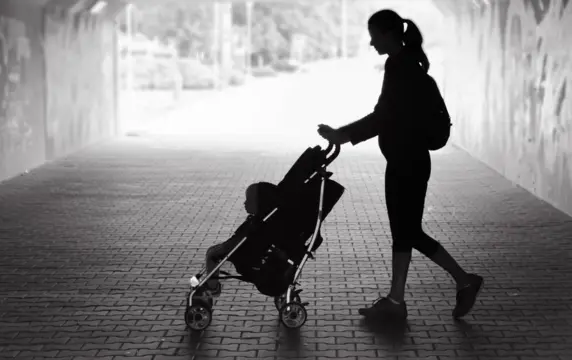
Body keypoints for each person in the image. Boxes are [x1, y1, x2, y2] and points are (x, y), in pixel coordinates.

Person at [317, 9, 483, 320]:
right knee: (407, 233)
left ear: (388, 34)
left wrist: (344, 134)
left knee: (407, 232)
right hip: (409, 161)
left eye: (374, 35)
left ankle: (456, 282)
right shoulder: (405, 62)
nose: (370, 42)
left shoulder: (400, 66)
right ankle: (405, 297)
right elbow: (390, 114)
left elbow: (384, 115)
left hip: (407, 163)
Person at [203, 182, 280, 297]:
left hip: (243, 252)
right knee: (212, 252)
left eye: (248, 200)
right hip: (246, 250)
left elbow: (238, 241)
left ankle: (212, 288)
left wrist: (224, 247)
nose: (244, 203)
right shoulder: (261, 221)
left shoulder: (256, 224)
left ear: (260, 203)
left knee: (212, 254)